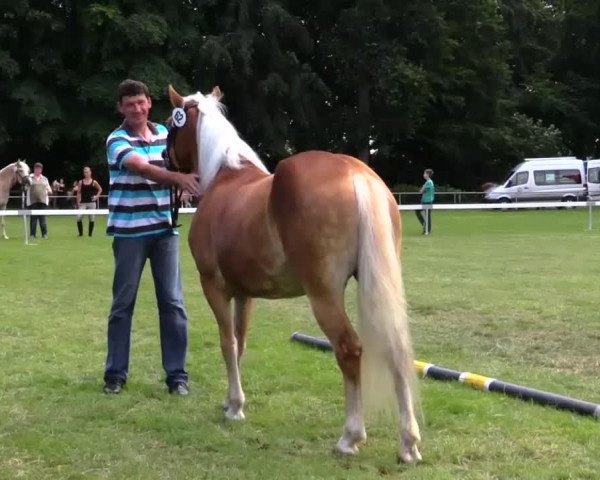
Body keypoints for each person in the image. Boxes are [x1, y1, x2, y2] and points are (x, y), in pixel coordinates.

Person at [103, 79, 200, 396]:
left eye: (141, 102)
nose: (137, 108)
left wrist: (184, 182)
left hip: (164, 231)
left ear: (149, 104)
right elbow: (142, 167)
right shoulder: (116, 140)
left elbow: (181, 160)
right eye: (130, 104)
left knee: (173, 304)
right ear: (121, 107)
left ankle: (177, 377)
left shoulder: (164, 134)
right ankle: (115, 374)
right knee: (123, 305)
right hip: (130, 233)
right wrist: (180, 178)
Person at [26, 162, 53, 239]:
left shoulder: (45, 179)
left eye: (39, 169)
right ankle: (32, 235)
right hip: (33, 202)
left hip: (42, 202)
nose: (38, 170)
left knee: (42, 219)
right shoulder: (29, 178)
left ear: (41, 170)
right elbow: (25, 188)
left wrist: (48, 191)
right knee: (33, 219)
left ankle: (44, 234)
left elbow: (49, 189)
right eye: (36, 168)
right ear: (34, 169)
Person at [76, 166, 102, 237]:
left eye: (87, 172)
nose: (86, 173)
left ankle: (90, 235)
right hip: (83, 203)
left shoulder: (94, 182)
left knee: (91, 218)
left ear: (90, 172)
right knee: (79, 217)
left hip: (91, 203)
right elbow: (78, 192)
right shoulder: (81, 182)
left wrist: (96, 196)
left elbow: (100, 189)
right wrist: (78, 201)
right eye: (85, 172)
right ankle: (80, 234)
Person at [415, 168, 435, 235]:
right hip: (424, 201)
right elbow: (421, 191)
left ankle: (427, 229)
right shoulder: (427, 182)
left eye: (425, 173)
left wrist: (422, 189)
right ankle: (424, 225)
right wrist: (422, 190)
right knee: (418, 211)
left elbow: (423, 191)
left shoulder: (429, 182)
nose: (423, 175)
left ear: (428, 175)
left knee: (427, 215)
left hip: (428, 201)